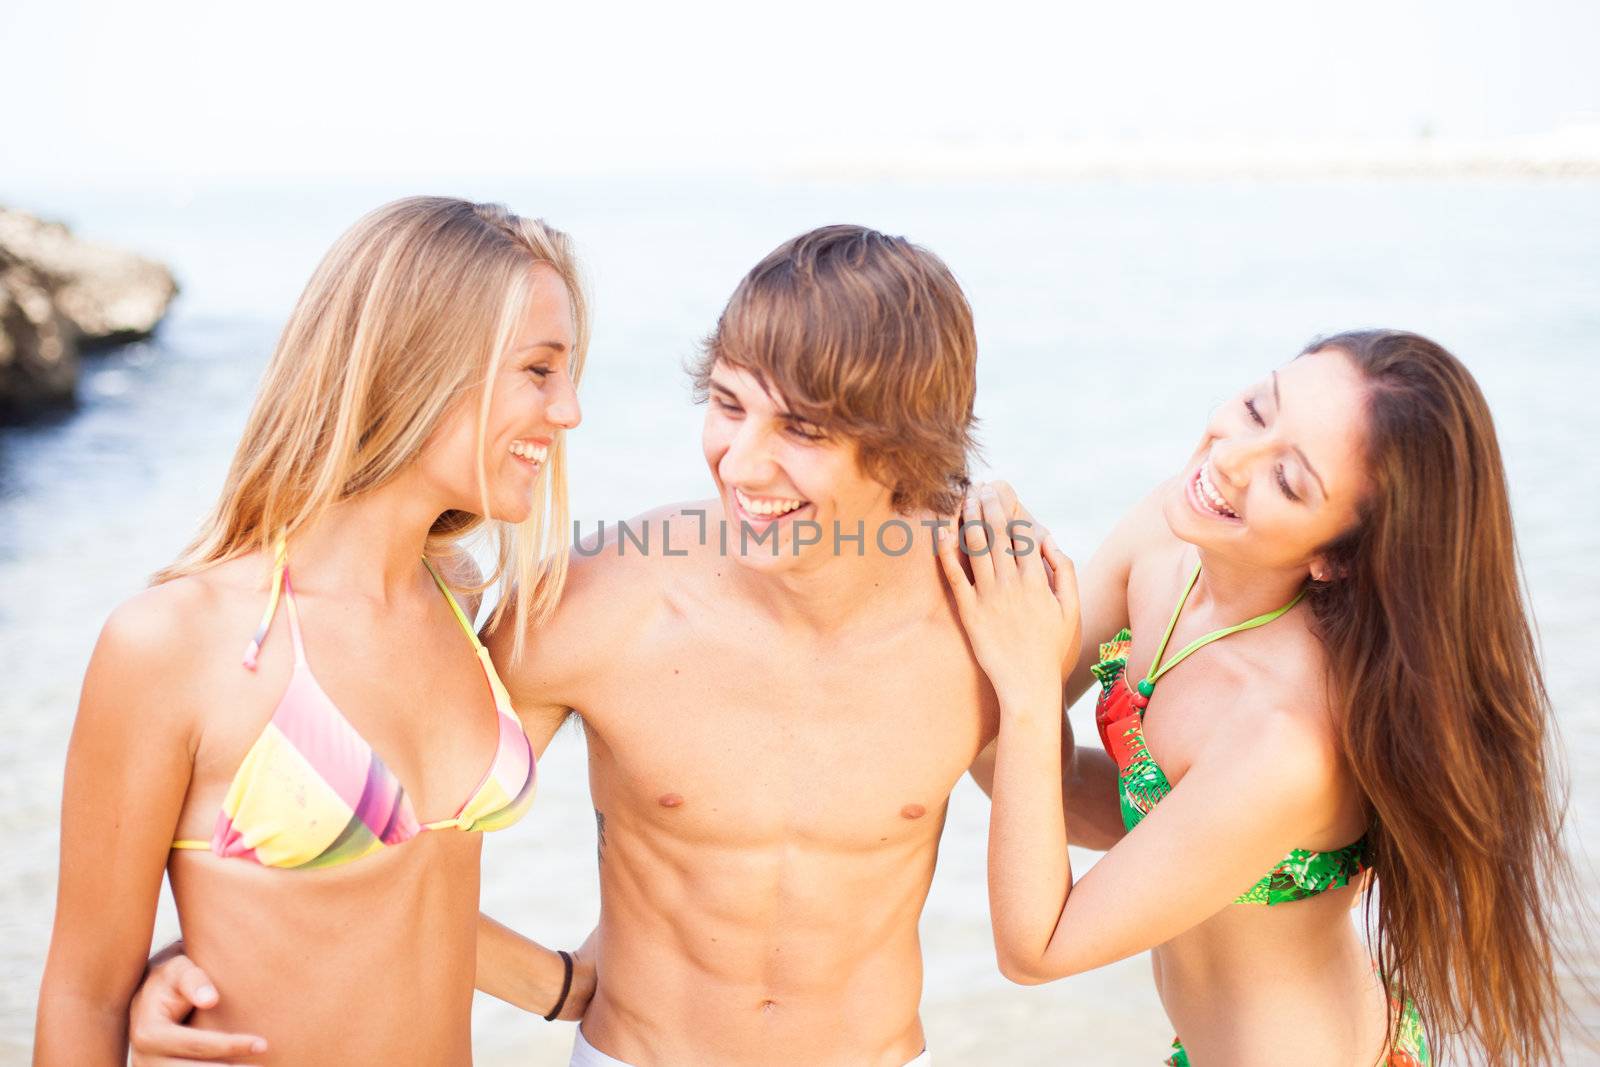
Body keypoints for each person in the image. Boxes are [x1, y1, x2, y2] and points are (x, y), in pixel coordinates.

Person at [128, 224, 1069, 1067]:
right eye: (729, 406)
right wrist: (198, 956)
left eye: (804, 431)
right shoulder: (590, 604)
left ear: (908, 447)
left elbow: (1072, 816)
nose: (742, 464)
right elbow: (393, 849)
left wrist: (1207, 774)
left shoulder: (990, 611)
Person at [35, 197, 596, 1066]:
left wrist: (575, 985)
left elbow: (401, 900)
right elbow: (82, 998)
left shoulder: (463, 611)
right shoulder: (179, 642)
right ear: (419, 363)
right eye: (539, 371)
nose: (568, 413)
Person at [941, 331, 1575, 1065]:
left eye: (1289, 479)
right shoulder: (1168, 540)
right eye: (1255, 407)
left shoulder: (1284, 737)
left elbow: (1037, 947)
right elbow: (1037, 774)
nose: (1231, 459)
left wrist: (1019, 689)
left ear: (1336, 554)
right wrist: (962, 546)